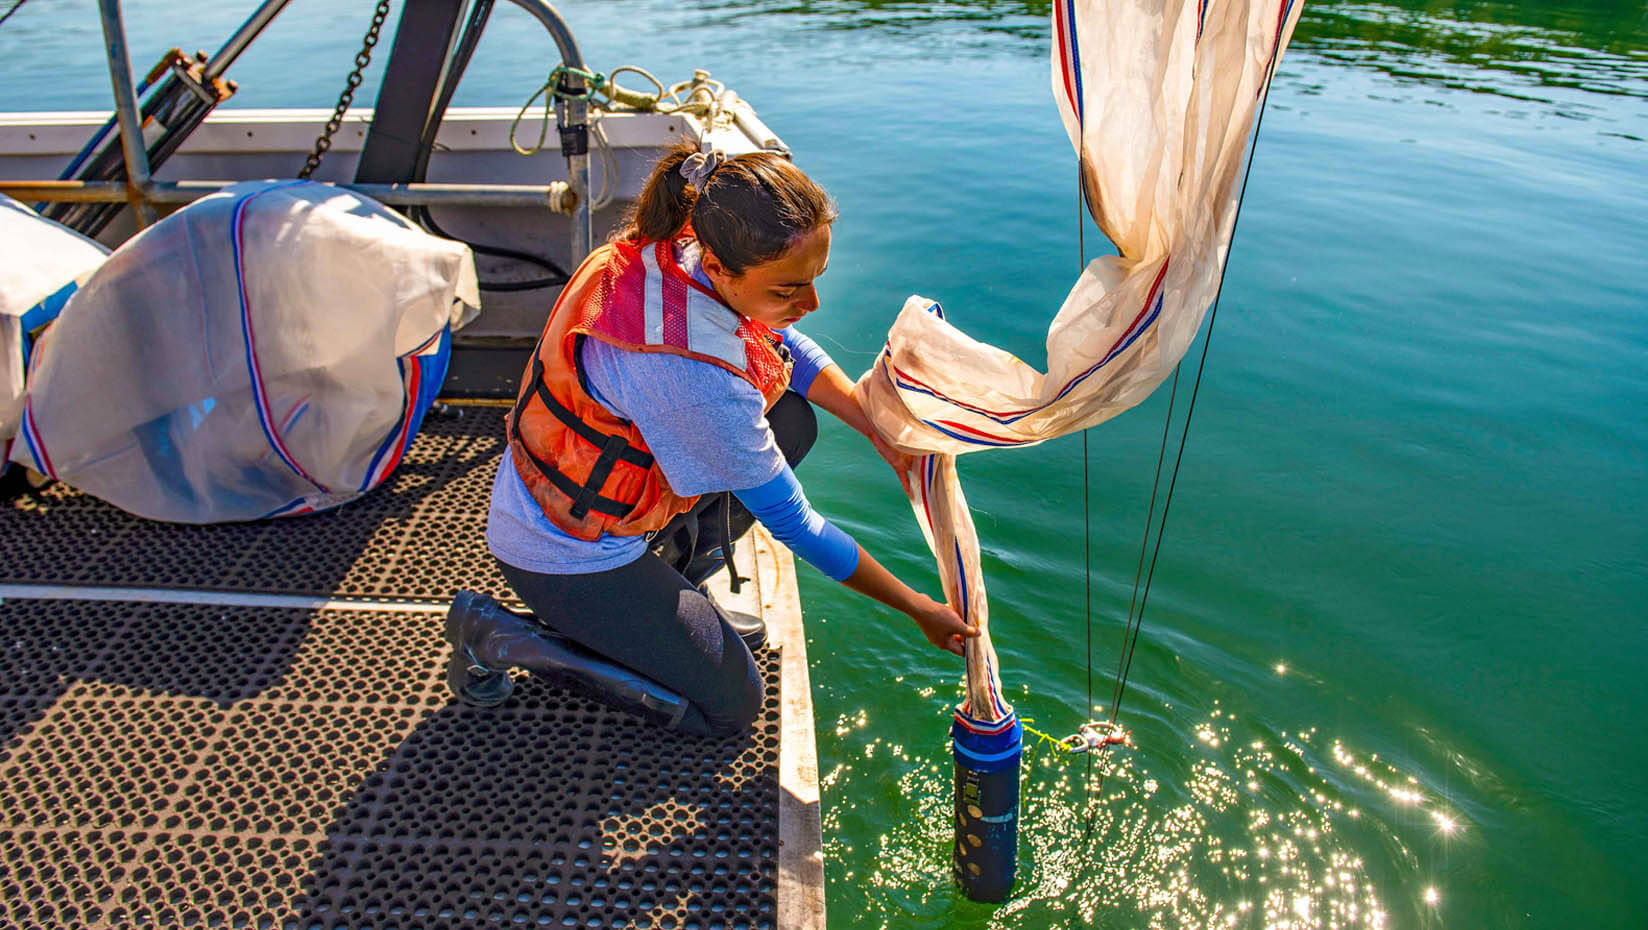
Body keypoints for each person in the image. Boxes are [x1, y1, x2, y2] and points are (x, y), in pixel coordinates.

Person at [445, 141, 977, 737]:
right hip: (565, 554)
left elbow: (779, 346)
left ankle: (674, 584)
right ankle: (498, 636)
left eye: (815, 278)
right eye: (786, 291)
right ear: (724, 269)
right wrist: (921, 609)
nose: (812, 303)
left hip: (584, 501)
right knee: (730, 707)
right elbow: (799, 529)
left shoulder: (686, 245)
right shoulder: (697, 381)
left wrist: (870, 421)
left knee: (793, 420)